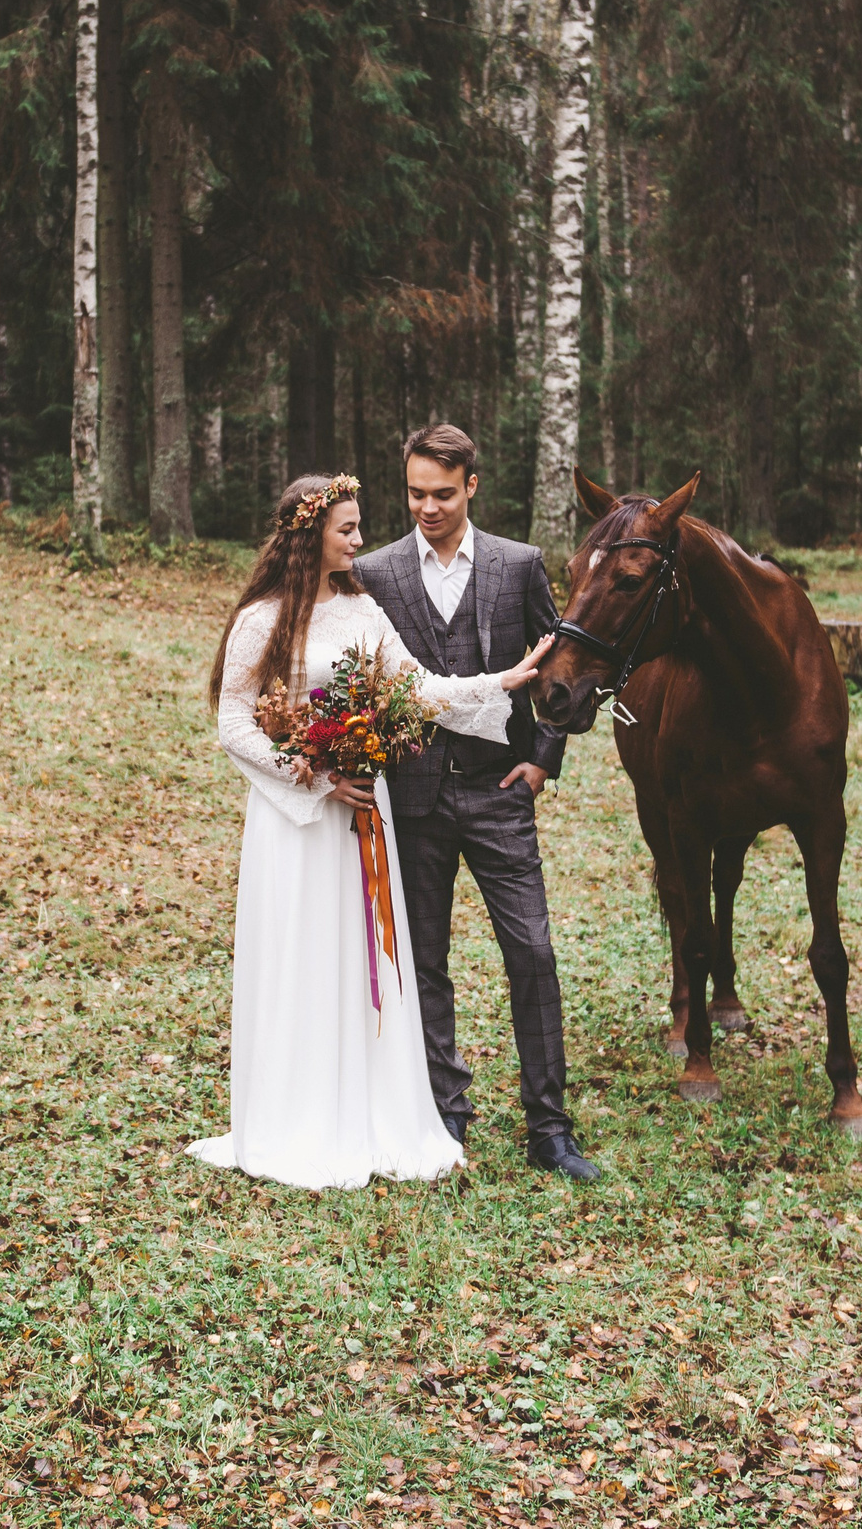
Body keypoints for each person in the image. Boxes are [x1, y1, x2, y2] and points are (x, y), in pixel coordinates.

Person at [190, 473, 550, 1191]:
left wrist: (501, 683)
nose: (360, 540)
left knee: (361, 956)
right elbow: (233, 722)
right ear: (310, 534)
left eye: (359, 527)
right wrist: (314, 776)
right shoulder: (262, 618)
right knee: (303, 950)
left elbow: (415, 687)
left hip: (363, 811)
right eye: (347, 529)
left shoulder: (362, 609)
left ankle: (369, 1105)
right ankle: (296, 1113)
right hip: (297, 819)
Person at [351, 424, 598, 1181]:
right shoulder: (374, 571)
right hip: (411, 798)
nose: (427, 508)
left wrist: (543, 759)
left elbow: (559, 666)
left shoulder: (518, 565)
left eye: (443, 494)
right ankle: (443, 1112)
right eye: (415, 494)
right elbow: (358, 675)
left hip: (499, 793)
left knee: (533, 953)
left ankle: (548, 1127)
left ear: (472, 487)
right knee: (425, 960)